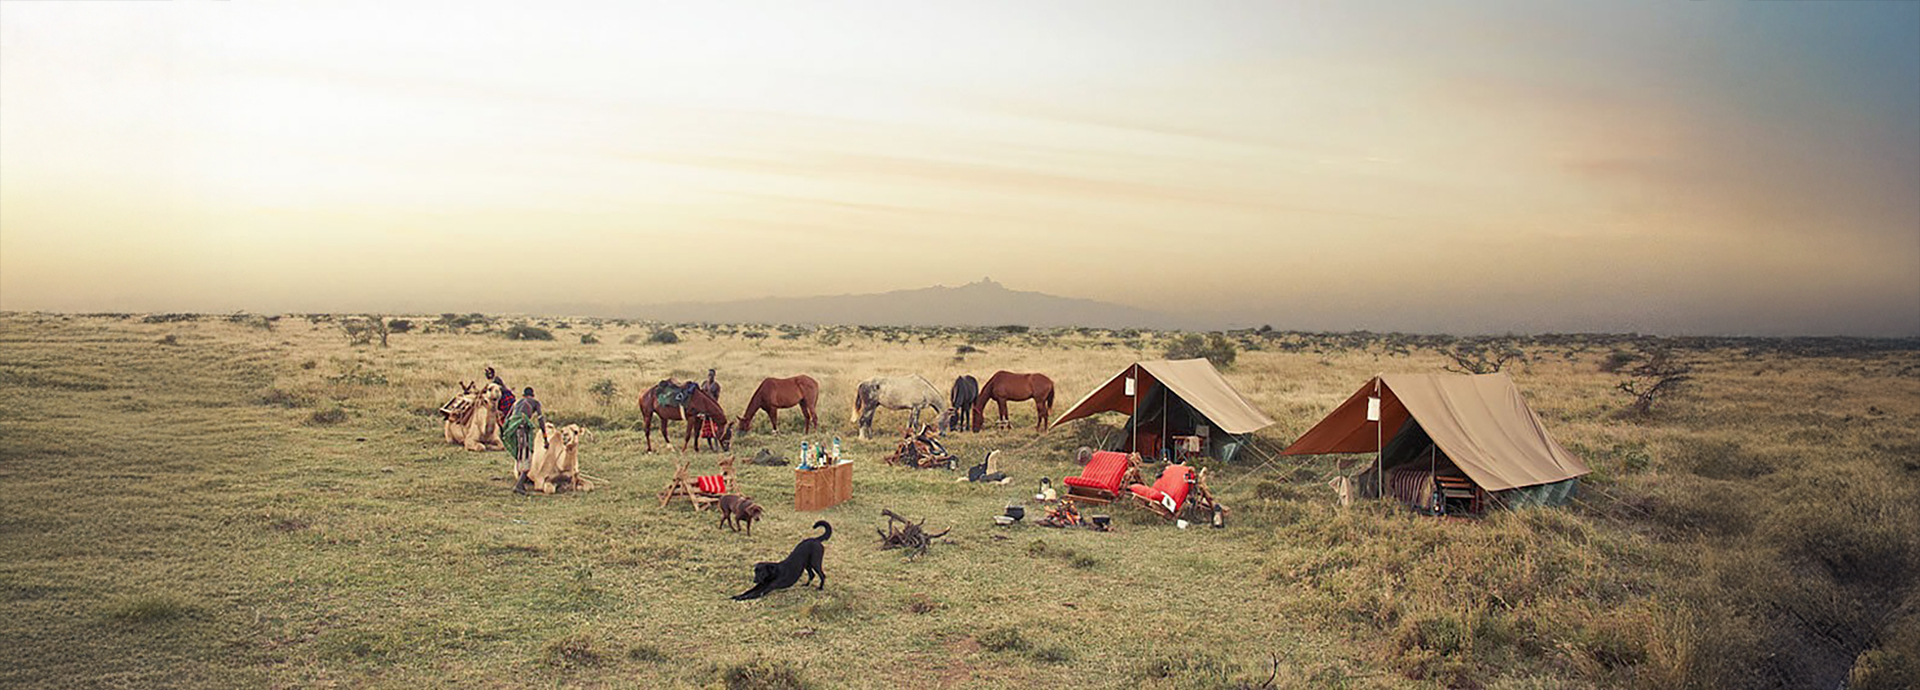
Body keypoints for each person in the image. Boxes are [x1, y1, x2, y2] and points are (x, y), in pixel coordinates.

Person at [503, 386, 548, 494]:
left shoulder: (516, 403)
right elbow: (541, 420)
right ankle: (518, 485)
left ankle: (521, 483)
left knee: (520, 455)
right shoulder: (535, 403)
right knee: (527, 457)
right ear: (533, 395)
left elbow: (507, 418)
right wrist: (545, 438)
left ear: (523, 395)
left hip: (513, 429)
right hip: (523, 428)